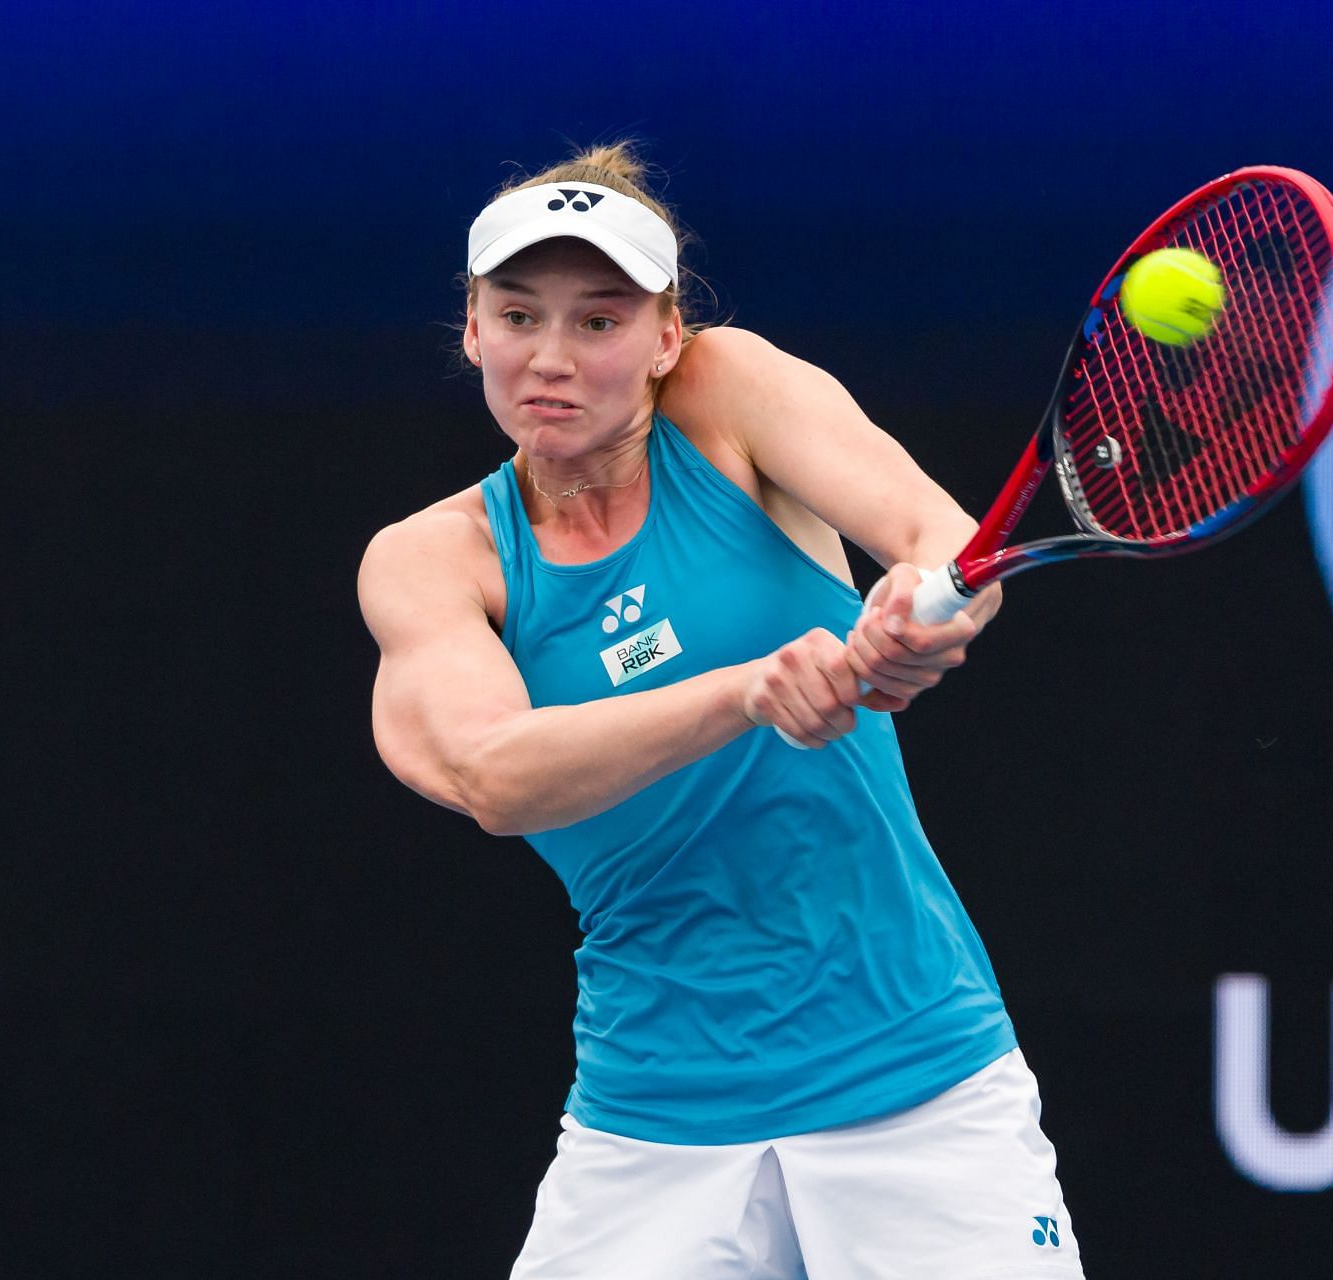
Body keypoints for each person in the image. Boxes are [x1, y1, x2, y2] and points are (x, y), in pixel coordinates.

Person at [356, 143, 1084, 1278]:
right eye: (518, 315)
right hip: (650, 1128)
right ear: (472, 329)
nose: (552, 356)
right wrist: (745, 692)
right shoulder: (431, 560)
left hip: (916, 1082)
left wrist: (924, 616)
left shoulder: (729, 396)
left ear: (666, 338)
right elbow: (497, 772)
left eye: (600, 321)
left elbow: (943, 544)